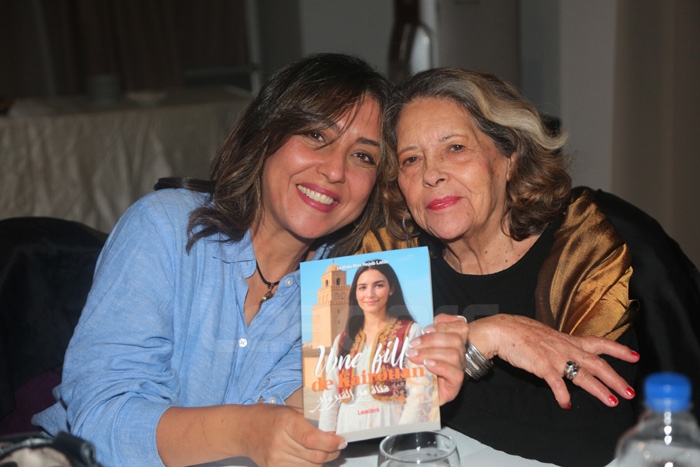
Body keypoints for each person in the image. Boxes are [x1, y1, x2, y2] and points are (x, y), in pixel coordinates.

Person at [31, 54, 467, 467]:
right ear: (266, 134)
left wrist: (404, 379)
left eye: (362, 156)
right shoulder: (166, 228)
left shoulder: (339, 285)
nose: (335, 170)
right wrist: (247, 430)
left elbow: (293, 405)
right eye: (316, 136)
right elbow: (100, 421)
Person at [359, 68, 641, 466]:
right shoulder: (388, 257)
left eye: (456, 148)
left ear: (510, 158)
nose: (432, 174)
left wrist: (459, 359)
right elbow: (360, 409)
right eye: (411, 159)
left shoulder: (578, 244)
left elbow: (596, 433)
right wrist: (492, 335)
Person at [317, 261, 439, 435]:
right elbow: (330, 392)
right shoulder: (342, 340)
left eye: (378, 285)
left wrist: (403, 435)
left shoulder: (410, 332)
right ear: (355, 293)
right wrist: (327, 435)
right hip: (347, 425)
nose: (370, 294)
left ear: (391, 289)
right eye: (362, 287)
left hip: (392, 422)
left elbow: (420, 392)